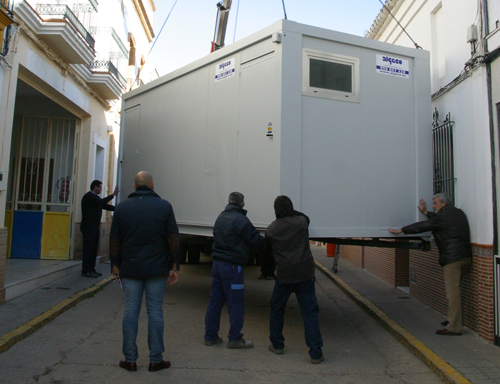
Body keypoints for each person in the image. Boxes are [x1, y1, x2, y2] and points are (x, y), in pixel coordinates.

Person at [110, 171, 180, 372]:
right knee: (155, 312)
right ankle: (156, 360)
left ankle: (130, 359)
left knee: (131, 311)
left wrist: (116, 266)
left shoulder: (122, 207)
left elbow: (115, 239)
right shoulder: (164, 206)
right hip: (157, 269)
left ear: (134, 186)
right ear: (152, 185)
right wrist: (173, 267)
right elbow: (173, 238)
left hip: (130, 269)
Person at [388, 193, 472, 336]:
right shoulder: (456, 212)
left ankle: (454, 327)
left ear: (443, 204)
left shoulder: (443, 216)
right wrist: (426, 212)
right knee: (455, 291)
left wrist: (402, 230)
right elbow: (436, 219)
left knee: (452, 293)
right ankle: (453, 319)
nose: (433, 206)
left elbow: (423, 226)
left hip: (453, 259)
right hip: (465, 257)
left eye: (435, 203)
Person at [264, 195, 324, 364]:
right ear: (291, 208)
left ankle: (277, 345)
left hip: (284, 275)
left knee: (277, 308)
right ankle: (315, 352)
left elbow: (267, 254)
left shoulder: (271, 230)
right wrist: (291, 211)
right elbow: (306, 217)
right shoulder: (301, 222)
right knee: (309, 311)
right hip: (305, 274)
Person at [204, 192, 264, 349]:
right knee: (236, 303)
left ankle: (210, 336)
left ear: (229, 201)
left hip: (217, 264)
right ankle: (235, 338)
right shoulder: (241, 220)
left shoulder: (220, 217)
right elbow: (256, 241)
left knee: (215, 302)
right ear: (242, 204)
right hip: (232, 267)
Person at [80, 180, 119, 278]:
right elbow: (101, 202)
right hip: (88, 226)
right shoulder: (89, 197)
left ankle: (91, 268)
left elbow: (104, 205)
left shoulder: (95, 199)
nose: (101, 189)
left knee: (94, 249)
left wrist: (118, 208)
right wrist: (112, 195)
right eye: (100, 187)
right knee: (88, 249)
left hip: (95, 226)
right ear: (95, 187)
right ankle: (86, 270)